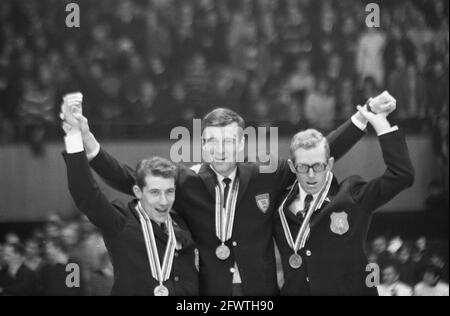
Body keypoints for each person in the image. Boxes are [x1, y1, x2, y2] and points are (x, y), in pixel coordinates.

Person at [61, 92, 394, 295]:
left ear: (242, 144)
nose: (221, 150)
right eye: (213, 142)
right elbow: (129, 177)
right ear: (203, 144)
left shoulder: (268, 174)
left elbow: (320, 151)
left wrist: (363, 116)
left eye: (229, 142)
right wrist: (90, 145)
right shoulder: (185, 179)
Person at [274, 104, 414, 295]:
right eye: (303, 167)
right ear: (292, 166)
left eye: (318, 166)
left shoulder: (352, 196)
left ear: (330, 164)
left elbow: (402, 176)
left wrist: (382, 125)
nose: (312, 175)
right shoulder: (279, 206)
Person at [62, 118, 199, 296]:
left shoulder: (184, 223)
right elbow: (86, 194)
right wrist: (75, 139)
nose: (164, 201)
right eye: (155, 192)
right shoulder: (121, 220)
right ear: (138, 191)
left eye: (169, 192)